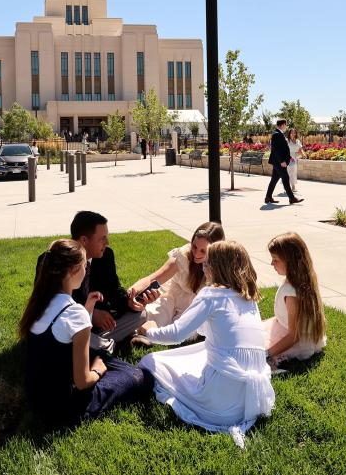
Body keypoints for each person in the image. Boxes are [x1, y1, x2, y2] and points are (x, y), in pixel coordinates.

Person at [137, 241, 276, 447]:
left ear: (217, 267)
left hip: (218, 407)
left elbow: (176, 334)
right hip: (249, 401)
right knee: (202, 350)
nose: (203, 267)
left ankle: (202, 397)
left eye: (208, 263)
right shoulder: (249, 300)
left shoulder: (212, 295)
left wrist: (149, 330)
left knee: (150, 361)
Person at [20, 239, 153, 428]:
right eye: (84, 266)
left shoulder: (40, 303)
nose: (86, 270)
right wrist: (97, 371)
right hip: (64, 409)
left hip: (36, 400)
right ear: (74, 270)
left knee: (106, 359)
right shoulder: (75, 313)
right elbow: (82, 382)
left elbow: (60, 335)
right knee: (140, 376)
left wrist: (88, 309)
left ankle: (105, 367)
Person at [37, 211, 158, 355]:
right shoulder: (54, 260)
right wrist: (92, 314)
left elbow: (114, 290)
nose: (107, 243)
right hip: (66, 323)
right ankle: (107, 344)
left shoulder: (106, 255)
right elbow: (50, 305)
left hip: (98, 326)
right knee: (66, 334)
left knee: (140, 315)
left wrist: (130, 303)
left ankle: (97, 344)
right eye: (102, 238)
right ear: (84, 240)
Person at [128, 221, 226, 346]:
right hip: (173, 294)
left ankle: (148, 334)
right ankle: (140, 333)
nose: (196, 254)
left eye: (203, 251)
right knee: (157, 311)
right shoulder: (183, 255)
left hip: (196, 304)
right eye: (194, 247)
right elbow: (153, 279)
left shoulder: (221, 267)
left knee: (185, 329)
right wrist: (130, 292)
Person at [263, 233, 327, 367]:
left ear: (289, 261)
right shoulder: (298, 281)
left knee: (250, 349)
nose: (271, 263)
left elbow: (293, 336)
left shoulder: (291, 294)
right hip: (285, 327)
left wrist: (267, 354)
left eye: (275, 259)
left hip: (293, 341)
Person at [265, 120, 302, 205]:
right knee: (285, 178)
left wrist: (289, 157)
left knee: (274, 179)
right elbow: (276, 149)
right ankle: (292, 198)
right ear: (282, 125)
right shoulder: (277, 134)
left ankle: (268, 197)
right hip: (279, 162)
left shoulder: (279, 134)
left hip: (278, 161)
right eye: (285, 125)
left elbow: (283, 149)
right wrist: (282, 161)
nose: (286, 127)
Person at [286, 128, 305, 196]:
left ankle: (292, 186)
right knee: (289, 172)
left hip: (295, 157)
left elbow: (300, 149)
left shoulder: (297, 141)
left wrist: (303, 154)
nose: (293, 134)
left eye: (294, 133)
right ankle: (291, 186)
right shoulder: (287, 141)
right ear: (289, 133)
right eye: (291, 132)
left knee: (293, 172)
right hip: (288, 157)